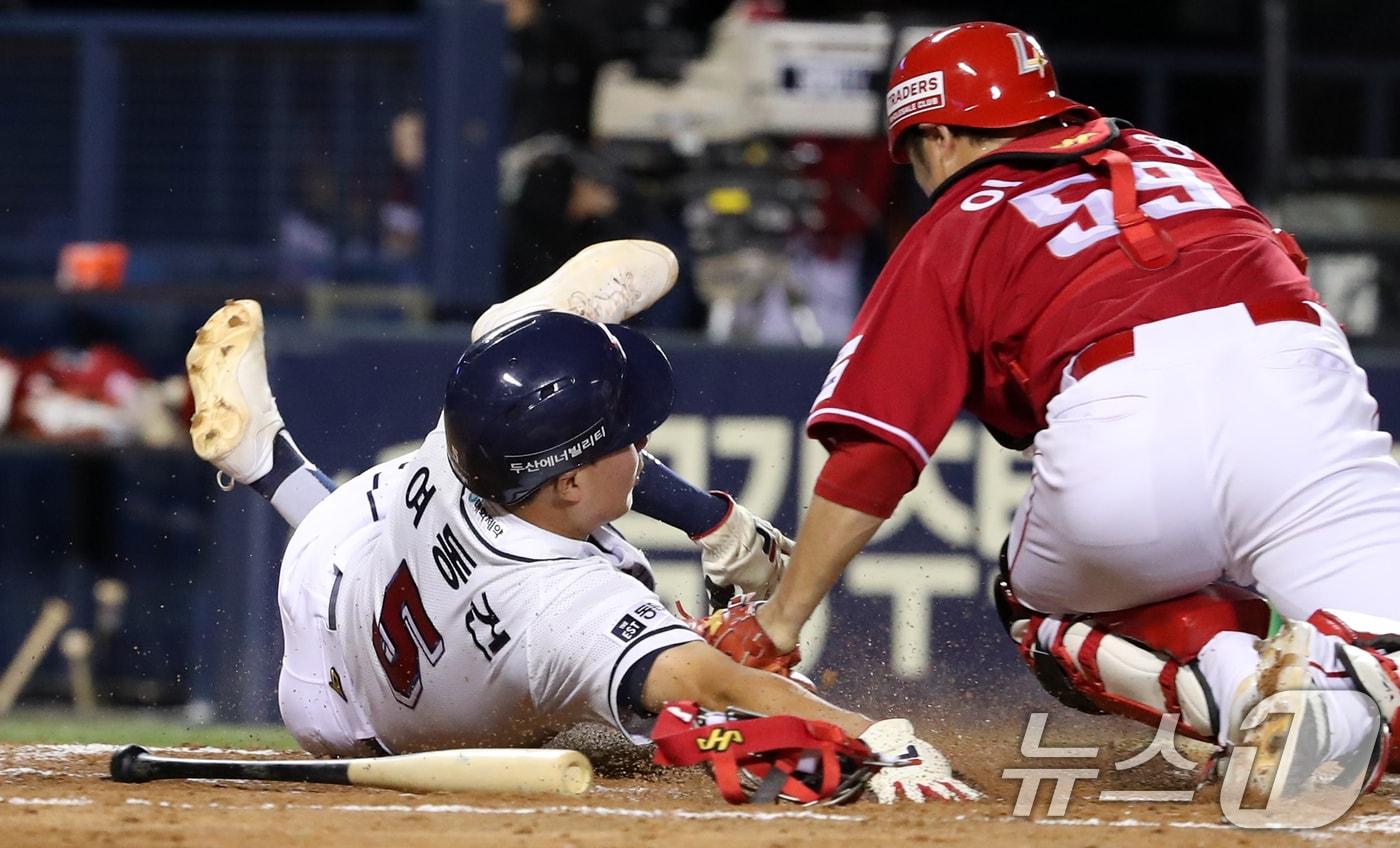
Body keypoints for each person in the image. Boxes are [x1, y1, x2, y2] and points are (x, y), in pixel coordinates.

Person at [693, 22, 1400, 794]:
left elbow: (876, 451)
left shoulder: (959, 219)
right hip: (1303, 395)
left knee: (1035, 603)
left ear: (936, 134)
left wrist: (785, 618)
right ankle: (1348, 675)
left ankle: (1241, 700)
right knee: (1386, 652)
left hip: (1128, 422)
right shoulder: (1178, 159)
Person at [184, 240, 979, 804]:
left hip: (338, 567)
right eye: (628, 436)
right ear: (565, 480)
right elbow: (715, 680)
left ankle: (271, 464)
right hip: (365, 730)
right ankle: (270, 463)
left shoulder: (476, 420)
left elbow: (589, 447)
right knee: (668, 724)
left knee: (622, 703)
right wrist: (872, 735)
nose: (641, 441)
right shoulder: (571, 611)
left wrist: (710, 522)